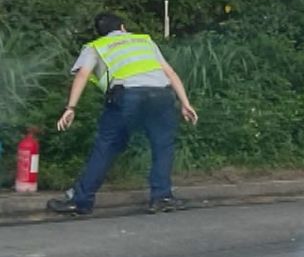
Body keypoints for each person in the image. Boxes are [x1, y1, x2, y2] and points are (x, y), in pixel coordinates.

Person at [45, 13, 199, 217]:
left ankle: (81, 202)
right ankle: (162, 197)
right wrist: (185, 103)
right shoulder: (144, 40)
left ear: (100, 32)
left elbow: (82, 74)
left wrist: (71, 107)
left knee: (106, 145)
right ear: (123, 27)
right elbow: (170, 72)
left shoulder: (96, 46)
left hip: (127, 95)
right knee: (162, 145)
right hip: (162, 94)